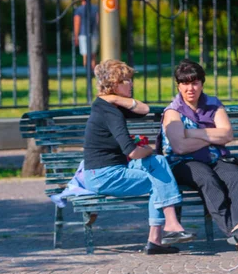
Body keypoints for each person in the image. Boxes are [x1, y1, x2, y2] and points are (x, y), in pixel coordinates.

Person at [83, 59, 194, 255]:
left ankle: (161, 235)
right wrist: (150, 150)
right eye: (126, 80)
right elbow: (132, 152)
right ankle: (166, 230)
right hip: (103, 176)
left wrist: (116, 98)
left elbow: (144, 109)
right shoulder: (111, 113)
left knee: (158, 162)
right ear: (114, 84)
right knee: (157, 179)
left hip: (112, 170)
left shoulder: (109, 106)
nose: (131, 84)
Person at [159, 59, 238, 252]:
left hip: (215, 159)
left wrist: (192, 133)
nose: (191, 88)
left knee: (235, 175)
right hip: (184, 163)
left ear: (202, 83)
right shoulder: (172, 112)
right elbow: (180, 147)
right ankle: (234, 232)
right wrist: (212, 136)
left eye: (195, 82)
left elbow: (227, 135)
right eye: (185, 83)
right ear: (179, 85)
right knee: (206, 178)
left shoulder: (213, 105)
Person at [73, 0, 99, 70]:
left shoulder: (79, 9)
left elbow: (77, 23)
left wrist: (76, 36)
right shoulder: (95, 8)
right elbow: (98, 20)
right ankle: (94, 71)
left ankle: (87, 72)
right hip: (94, 33)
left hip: (83, 34)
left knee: (85, 55)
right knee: (93, 55)